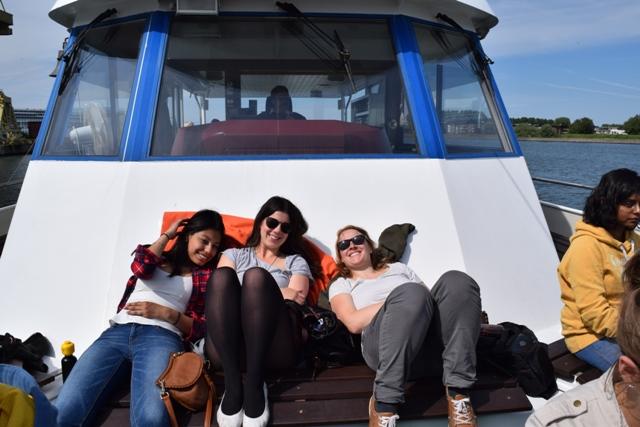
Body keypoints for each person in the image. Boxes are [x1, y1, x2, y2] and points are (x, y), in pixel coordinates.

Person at [55, 209, 225, 427]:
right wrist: (168, 234)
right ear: (187, 235)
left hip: (161, 338)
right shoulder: (155, 258)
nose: (209, 250)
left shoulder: (206, 276)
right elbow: (140, 267)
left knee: (151, 419)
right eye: (204, 241)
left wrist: (166, 314)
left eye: (215, 246)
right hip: (116, 334)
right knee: (64, 410)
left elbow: (204, 327)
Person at [329, 225, 481, 427]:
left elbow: (429, 302)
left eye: (357, 240)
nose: (351, 246)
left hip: (431, 349)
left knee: (457, 281)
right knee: (411, 293)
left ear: (369, 245)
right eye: (343, 244)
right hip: (383, 350)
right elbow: (353, 322)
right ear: (340, 256)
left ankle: (459, 395)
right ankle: (384, 404)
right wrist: (397, 302)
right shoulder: (342, 284)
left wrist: (409, 299)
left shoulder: (399, 269)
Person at [205, 196, 318, 427]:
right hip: (229, 349)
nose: (277, 231)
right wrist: (274, 293)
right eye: (272, 223)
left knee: (255, 278)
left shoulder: (295, 261)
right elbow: (221, 294)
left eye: (285, 227)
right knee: (223, 277)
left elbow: (297, 298)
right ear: (260, 222)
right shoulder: (233, 255)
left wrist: (255, 291)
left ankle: (255, 384)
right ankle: (233, 386)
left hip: (275, 347)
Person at [526, 252, 640, 426]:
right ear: (630, 372)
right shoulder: (584, 251)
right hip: (585, 336)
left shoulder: (623, 244)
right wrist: (628, 329)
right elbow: (594, 313)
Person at [559, 168, 640, 371]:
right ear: (609, 203)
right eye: (629, 203)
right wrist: (634, 333)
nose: (638, 210)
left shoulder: (634, 241)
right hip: (590, 336)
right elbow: (594, 313)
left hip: (629, 326)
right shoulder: (586, 247)